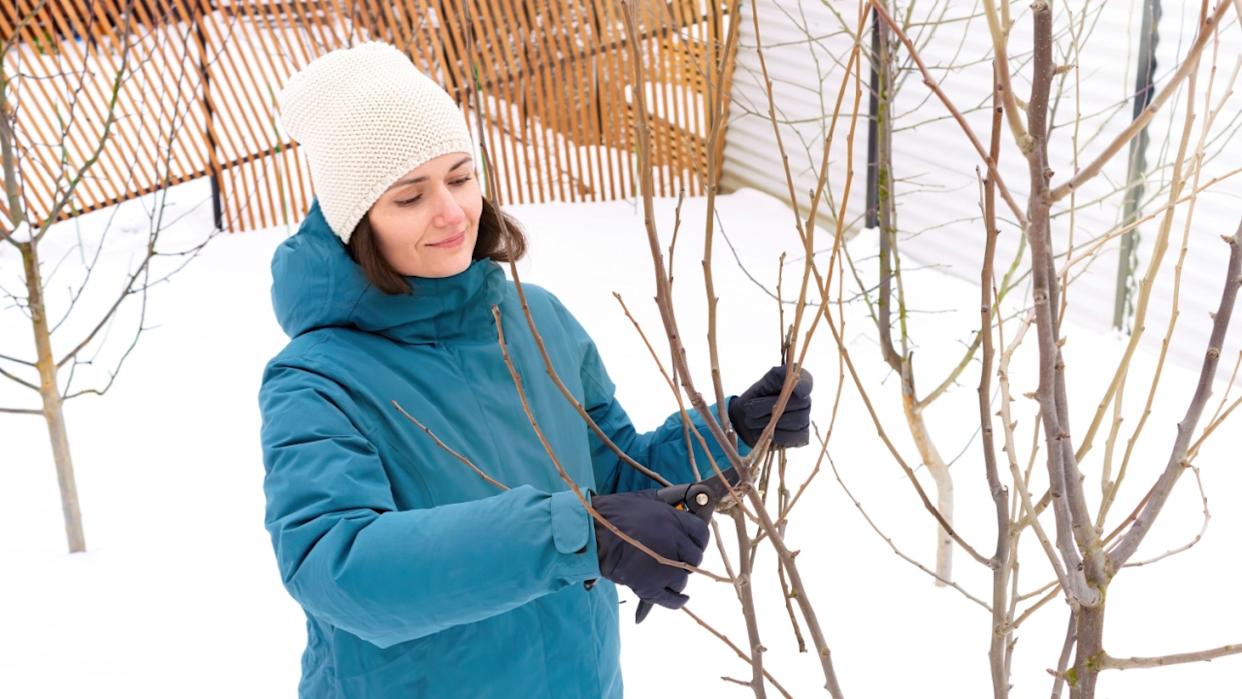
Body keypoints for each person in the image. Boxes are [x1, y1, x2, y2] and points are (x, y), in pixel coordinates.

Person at [259, 42, 814, 698]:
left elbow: (613, 473)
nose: (452, 212)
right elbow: (338, 566)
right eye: (410, 196)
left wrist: (730, 429)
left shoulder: (534, 320)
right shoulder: (318, 382)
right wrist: (579, 533)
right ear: (358, 223)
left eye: (462, 177)